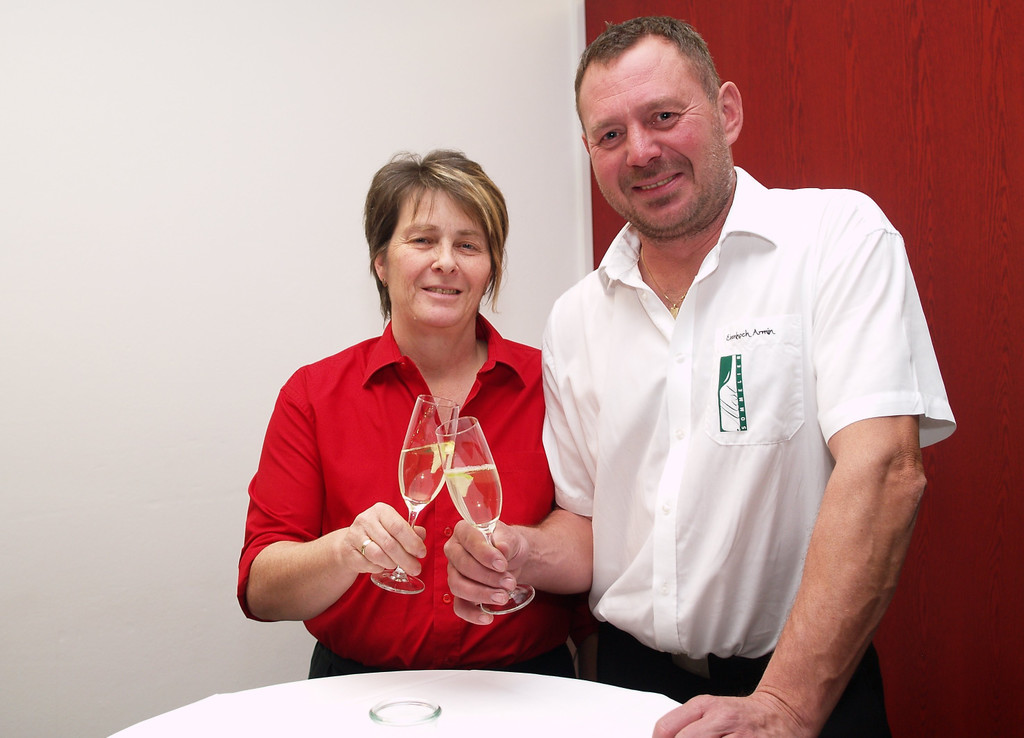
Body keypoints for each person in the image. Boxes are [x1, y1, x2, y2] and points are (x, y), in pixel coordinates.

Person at [444, 16, 955, 737]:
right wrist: (521, 553)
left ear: (727, 112)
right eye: (610, 134)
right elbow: (589, 525)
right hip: (632, 690)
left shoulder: (836, 239)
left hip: (804, 688)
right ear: (590, 152)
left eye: (663, 116)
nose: (641, 152)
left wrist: (786, 705)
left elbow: (886, 471)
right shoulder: (576, 318)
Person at [238, 149, 591, 678]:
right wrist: (343, 552)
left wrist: (525, 551)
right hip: (359, 691)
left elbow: (596, 543)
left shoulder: (551, 384)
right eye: (423, 240)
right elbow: (260, 589)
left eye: (468, 245)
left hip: (527, 685)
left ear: (491, 268)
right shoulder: (313, 394)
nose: (446, 261)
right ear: (380, 262)